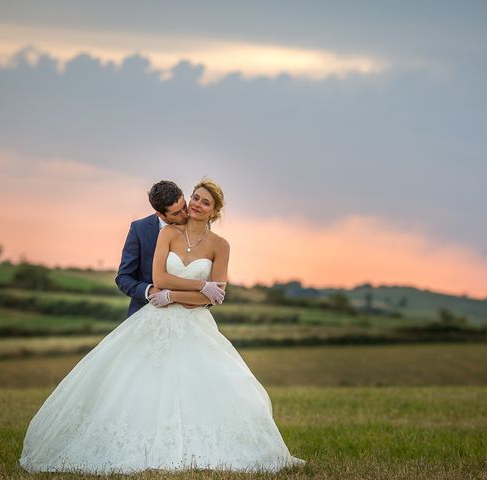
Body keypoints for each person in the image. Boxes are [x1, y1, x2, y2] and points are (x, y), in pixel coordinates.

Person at [19, 178, 305, 474]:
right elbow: (151, 278)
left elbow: (215, 295)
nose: (190, 208)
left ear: (214, 210)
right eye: (191, 201)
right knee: (132, 385)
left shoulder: (220, 245)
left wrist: (176, 295)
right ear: (162, 214)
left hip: (194, 323)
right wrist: (186, 288)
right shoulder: (161, 232)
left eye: (199, 202)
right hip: (150, 318)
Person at [115, 180, 224, 317]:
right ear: (160, 214)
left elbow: (215, 292)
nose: (185, 215)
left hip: (191, 315)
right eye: (177, 213)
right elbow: (123, 278)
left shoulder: (207, 236)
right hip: (146, 312)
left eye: (184, 206)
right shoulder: (139, 229)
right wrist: (149, 291)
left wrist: (174, 296)